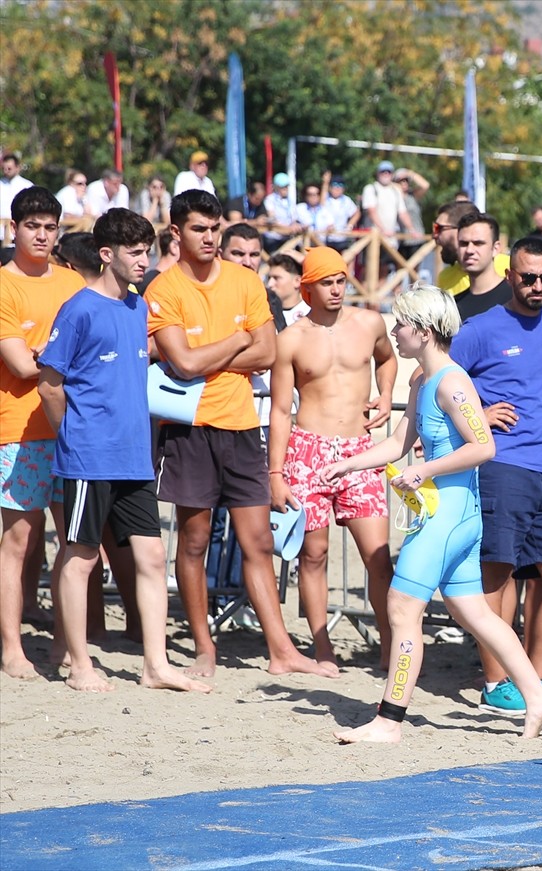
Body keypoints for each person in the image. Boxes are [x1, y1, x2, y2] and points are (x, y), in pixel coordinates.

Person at [327, 284, 542, 743]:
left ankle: (389, 720)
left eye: (401, 323)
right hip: (450, 513)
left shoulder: (452, 382)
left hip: (448, 517)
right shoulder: (423, 380)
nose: (394, 331)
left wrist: (423, 470)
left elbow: (483, 446)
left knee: (401, 607)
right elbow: (398, 442)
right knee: (474, 613)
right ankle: (537, 695)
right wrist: (349, 462)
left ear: (425, 330)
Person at [145, 189, 327, 677]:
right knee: (195, 540)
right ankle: (205, 645)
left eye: (214, 228)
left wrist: (209, 354)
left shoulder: (245, 282)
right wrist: (238, 340)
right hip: (189, 427)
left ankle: (282, 651)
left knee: (258, 542)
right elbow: (181, 363)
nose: (209, 237)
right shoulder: (162, 290)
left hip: (243, 426)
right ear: (176, 232)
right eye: (199, 229)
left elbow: (267, 353)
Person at [36, 208, 210, 693]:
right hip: (90, 454)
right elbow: (50, 385)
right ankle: (80, 664)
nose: (144, 260)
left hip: (135, 455)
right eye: (135, 252)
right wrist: (73, 434)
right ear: (107, 254)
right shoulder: (78, 308)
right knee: (81, 557)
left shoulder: (138, 306)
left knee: (151, 557)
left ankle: (155, 665)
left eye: (147, 250)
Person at [449, 235, 542, 716]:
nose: (537, 285)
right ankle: (498, 686)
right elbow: (432, 380)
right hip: (501, 466)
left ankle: (534, 680)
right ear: (510, 274)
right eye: (527, 276)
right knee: (497, 574)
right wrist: (478, 415)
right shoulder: (480, 327)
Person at [268, 247, 397, 672]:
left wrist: (385, 396)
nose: (337, 289)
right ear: (307, 289)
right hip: (308, 451)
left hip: (359, 450)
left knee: (378, 555)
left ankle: (390, 646)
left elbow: (387, 358)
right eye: (327, 282)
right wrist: (276, 472)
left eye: (341, 279)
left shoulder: (369, 321)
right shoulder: (291, 339)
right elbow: (280, 410)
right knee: (314, 554)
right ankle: (322, 650)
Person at [0, 187, 85, 679]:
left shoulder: (73, 283)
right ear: (15, 229)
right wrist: (58, 355)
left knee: (74, 540)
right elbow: (17, 363)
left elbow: (83, 352)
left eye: (50, 226)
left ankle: (64, 643)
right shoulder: (5, 285)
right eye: (33, 225)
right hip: (20, 429)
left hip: (71, 427)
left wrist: (43, 353)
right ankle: (11, 646)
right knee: (20, 542)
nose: (42, 234)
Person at [453, 211, 511, 321]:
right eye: (464, 243)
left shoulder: (514, 298)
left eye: (478, 243)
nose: (469, 250)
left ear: (495, 248)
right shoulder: (454, 306)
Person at [0, 153, 35, 227]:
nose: (6, 171)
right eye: (4, 169)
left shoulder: (27, 186)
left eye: (9, 168)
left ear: (17, 167)